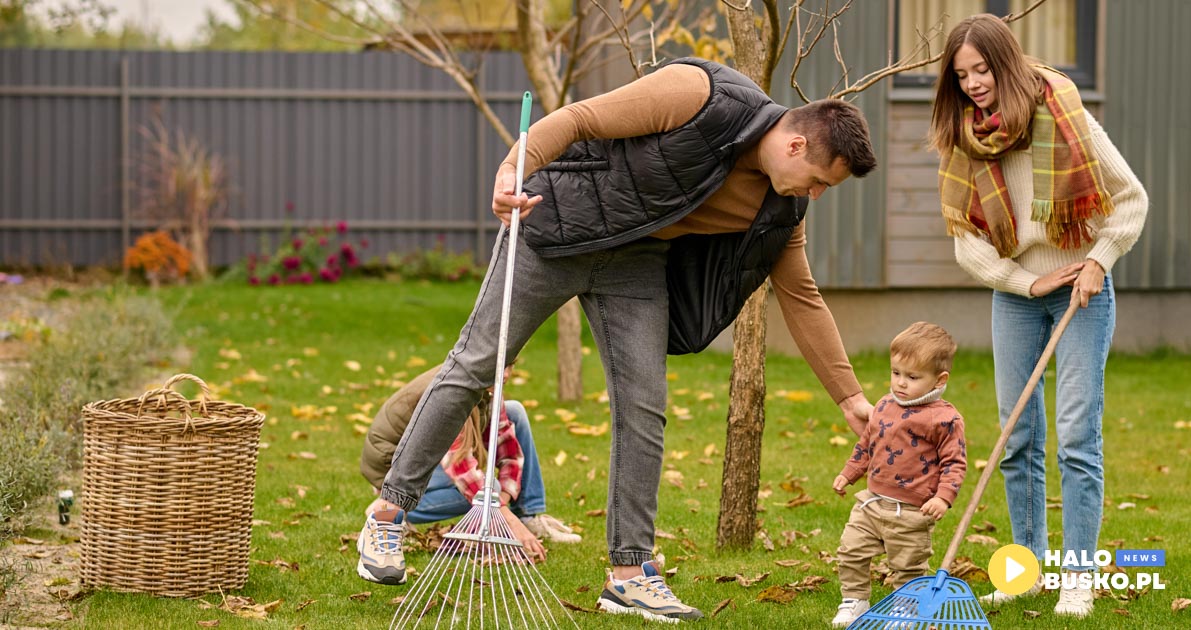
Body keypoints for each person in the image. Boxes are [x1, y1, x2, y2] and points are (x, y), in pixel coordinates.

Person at [363, 57, 879, 623]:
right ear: (797, 145)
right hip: (557, 229)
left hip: (637, 262)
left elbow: (802, 296)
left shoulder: (783, 208)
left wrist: (851, 398)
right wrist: (513, 170)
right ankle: (387, 517)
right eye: (821, 182)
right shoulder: (701, 94)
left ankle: (629, 575)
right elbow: (578, 118)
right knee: (477, 364)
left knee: (644, 408)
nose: (817, 195)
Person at [930, 14, 1148, 618]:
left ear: (1007, 63)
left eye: (982, 70)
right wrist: (1025, 281)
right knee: (1017, 437)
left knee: (1077, 437)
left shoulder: (1066, 111)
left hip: (1082, 288)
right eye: (961, 74)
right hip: (1020, 295)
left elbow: (1131, 197)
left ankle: (1076, 576)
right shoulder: (964, 138)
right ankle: (1025, 572)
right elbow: (966, 240)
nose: (973, 84)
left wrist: (1099, 259)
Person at [356, 365, 579, 586]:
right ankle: (389, 508)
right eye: (501, 366)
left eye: (511, 365)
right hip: (394, 466)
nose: (507, 374)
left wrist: (506, 505)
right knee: (487, 488)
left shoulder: (484, 383)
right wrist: (504, 516)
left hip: (431, 458)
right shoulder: (450, 392)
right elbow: (460, 467)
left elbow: (508, 449)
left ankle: (528, 517)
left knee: (515, 411)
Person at [830, 322, 967, 627]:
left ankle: (906, 608)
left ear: (939, 379)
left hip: (911, 512)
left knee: (908, 566)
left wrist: (944, 498)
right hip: (871, 502)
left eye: (912, 377)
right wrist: (849, 473)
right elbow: (867, 442)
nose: (901, 383)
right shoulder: (883, 405)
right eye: (896, 373)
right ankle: (855, 601)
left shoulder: (945, 419)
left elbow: (954, 463)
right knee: (850, 551)